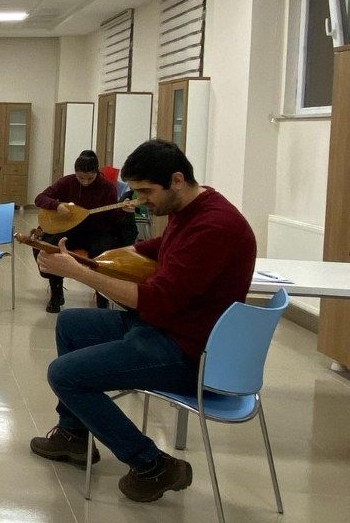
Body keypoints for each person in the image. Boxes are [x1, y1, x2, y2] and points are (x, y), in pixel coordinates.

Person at [29, 139, 256, 504]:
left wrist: (80, 273)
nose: (140, 200)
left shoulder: (214, 227)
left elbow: (157, 302)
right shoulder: (191, 207)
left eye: (146, 191)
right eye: (135, 191)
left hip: (188, 351)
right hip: (167, 328)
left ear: (177, 180)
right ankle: (74, 435)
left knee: (64, 375)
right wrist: (90, 261)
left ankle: (152, 464)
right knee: (70, 324)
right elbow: (158, 248)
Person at [33, 150, 136, 313]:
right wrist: (57, 206)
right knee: (51, 247)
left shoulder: (107, 187)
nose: (85, 182)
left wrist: (124, 211)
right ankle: (56, 293)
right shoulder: (66, 182)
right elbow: (40, 198)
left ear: (97, 173)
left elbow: (112, 217)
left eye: (90, 178)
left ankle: (102, 295)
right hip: (70, 230)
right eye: (81, 178)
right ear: (75, 173)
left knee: (103, 253)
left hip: (98, 231)